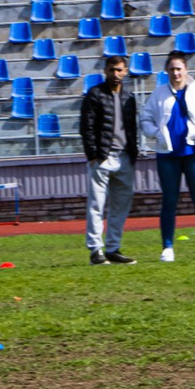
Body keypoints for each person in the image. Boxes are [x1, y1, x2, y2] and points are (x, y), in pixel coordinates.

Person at [149, 48, 195, 260]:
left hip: (194, 152)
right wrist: (156, 134)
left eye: (179, 69)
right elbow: (146, 119)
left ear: (185, 69)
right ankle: (167, 247)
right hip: (167, 155)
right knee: (169, 200)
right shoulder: (159, 93)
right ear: (166, 71)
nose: (176, 73)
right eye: (172, 69)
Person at [79, 53, 140, 266]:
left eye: (119, 70)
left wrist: (134, 152)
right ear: (105, 71)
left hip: (124, 158)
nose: (115, 74)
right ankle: (96, 250)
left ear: (125, 72)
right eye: (112, 70)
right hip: (102, 158)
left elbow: (132, 128)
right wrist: (93, 155)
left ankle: (113, 249)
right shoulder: (94, 94)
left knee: (120, 206)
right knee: (97, 205)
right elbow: (86, 127)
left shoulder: (129, 97)